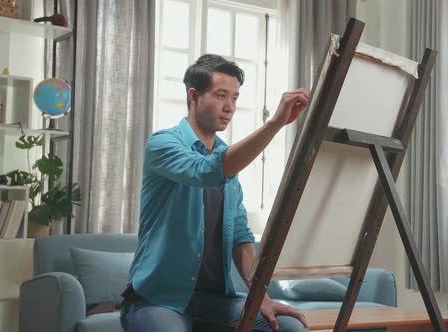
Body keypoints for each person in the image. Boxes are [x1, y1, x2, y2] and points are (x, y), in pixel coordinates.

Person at [120, 54, 310, 332]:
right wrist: (274, 124)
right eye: (221, 95)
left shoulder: (228, 160)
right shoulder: (162, 143)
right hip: (156, 300)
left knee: (290, 327)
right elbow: (206, 171)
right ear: (194, 95)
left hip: (214, 301)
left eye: (234, 98)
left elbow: (240, 237)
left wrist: (262, 298)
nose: (229, 107)